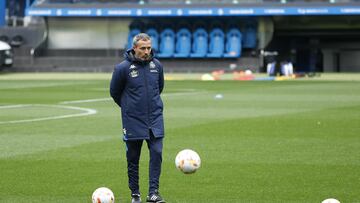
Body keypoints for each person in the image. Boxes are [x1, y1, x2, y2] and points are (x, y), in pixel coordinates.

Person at [110, 33, 166, 203]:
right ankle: (135, 194)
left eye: (149, 48)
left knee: (156, 153)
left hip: (155, 118)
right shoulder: (122, 68)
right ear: (134, 48)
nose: (147, 51)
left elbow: (159, 88)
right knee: (133, 158)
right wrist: (129, 108)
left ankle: (153, 192)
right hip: (133, 120)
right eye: (143, 48)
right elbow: (115, 92)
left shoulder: (157, 66)